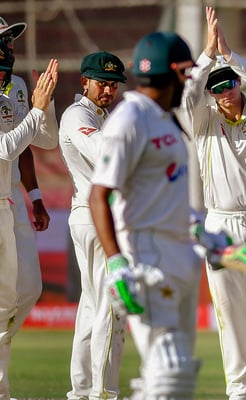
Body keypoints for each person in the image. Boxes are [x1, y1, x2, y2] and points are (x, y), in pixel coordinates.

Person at [176, 7, 246, 399]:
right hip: (221, 227)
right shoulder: (203, 121)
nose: (225, 93)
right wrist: (207, 55)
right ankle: (240, 391)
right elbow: (187, 94)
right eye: (217, 88)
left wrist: (231, 58)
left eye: (229, 86)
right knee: (230, 315)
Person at [88, 31, 201, 399]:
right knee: (169, 371)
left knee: (173, 376)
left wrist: (199, 229)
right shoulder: (131, 117)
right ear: (173, 72)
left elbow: (167, 188)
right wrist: (117, 262)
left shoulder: (167, 118)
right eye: (187, 72)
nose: (189, 81)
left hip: (179, 251)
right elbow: (99, 195)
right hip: (146, 253)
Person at [59, 51, 128, 400]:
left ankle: (82, 390)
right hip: (93, 215)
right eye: (102, 83)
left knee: (92, 305)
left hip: (97, 216)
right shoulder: (77, 114)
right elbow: (104, 151)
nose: (108, 91)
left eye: (113, 85)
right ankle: (103, 392)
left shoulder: (103, 116)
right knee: (110, 306)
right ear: (84, 81)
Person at [0, 36, 58, 399]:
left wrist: (45, 107)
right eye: (3, 42)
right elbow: (5, 147)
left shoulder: (14, 86)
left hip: (9, 200)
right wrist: (36, 112)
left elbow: (43, 142)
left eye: (9, 42)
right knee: (2, 301)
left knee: (20, 294)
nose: (10, 48)